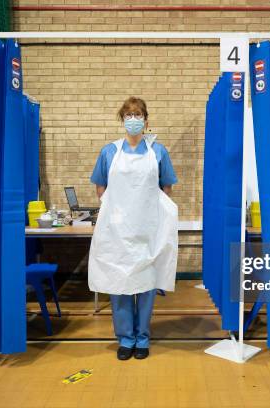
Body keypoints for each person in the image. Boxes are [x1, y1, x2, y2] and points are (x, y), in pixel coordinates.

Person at [88, 96, 178, 360]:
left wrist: (158, 219)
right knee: (120, 284)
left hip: (148, 229)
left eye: (138, 114)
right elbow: (100, 186)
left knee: (147, 286)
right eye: (128, 115)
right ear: (122, 119)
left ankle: (142, 337)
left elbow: (167, 188)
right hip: (118, 231)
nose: (133, 119)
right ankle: (126, 339)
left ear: (146, 119)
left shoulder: (158, 152)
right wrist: (114, 215)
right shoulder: (109, 152)